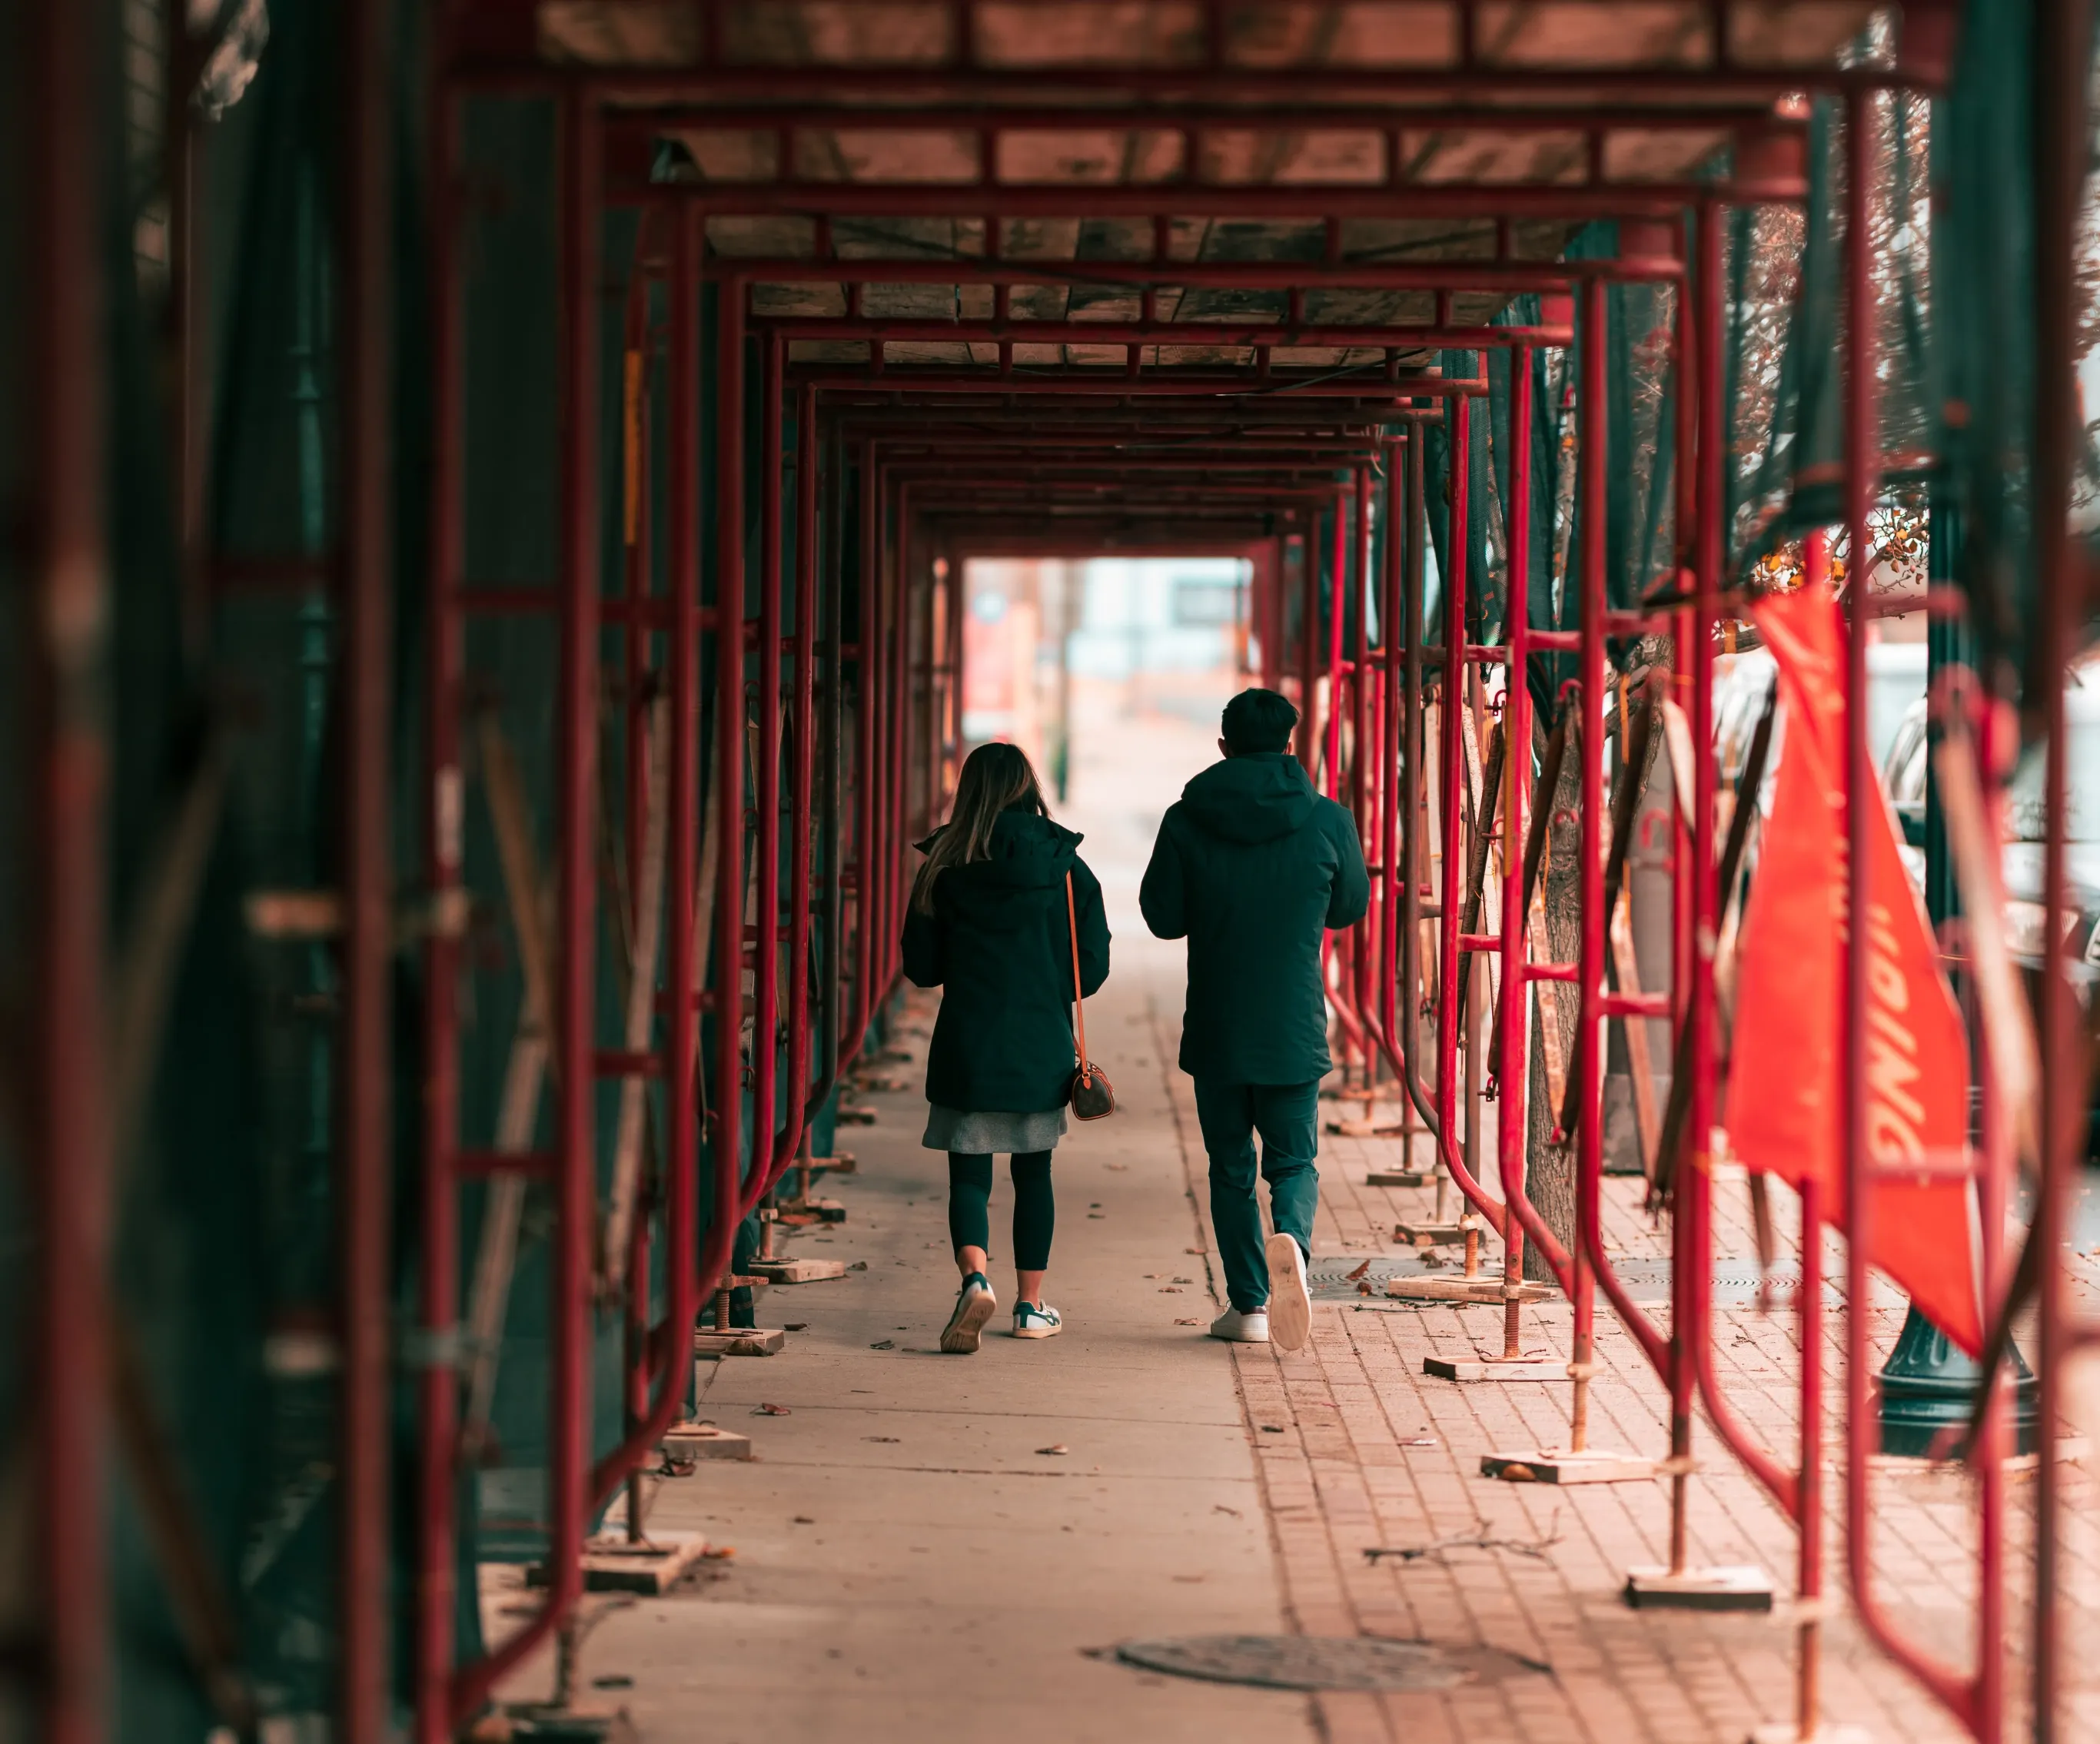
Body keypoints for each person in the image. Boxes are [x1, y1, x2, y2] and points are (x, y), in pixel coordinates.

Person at [1139, 687, 1368, 1351]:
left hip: (1217, 1025)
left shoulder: (1186, 819)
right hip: (1293, 1023)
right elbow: (1348, 907)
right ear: (1291, 746)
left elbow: (1162, 917)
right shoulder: (1329, 820)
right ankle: (1291, 1244)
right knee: (1294, 1161)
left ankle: (1249, 1307)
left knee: (1231, 1166)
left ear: (1224, 748)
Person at [903, 742, 1110, 1354]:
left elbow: (921, 965)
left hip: (968, 1042)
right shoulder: (1064, 865)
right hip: (1039, 1044)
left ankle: (974, 1279)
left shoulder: (944, 863)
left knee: (968, 1174)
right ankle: (1029, 1305)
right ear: (1029, 787)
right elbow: (1088, 969)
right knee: (1033, 1172)